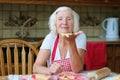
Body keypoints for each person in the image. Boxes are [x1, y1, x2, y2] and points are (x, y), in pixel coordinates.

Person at [33, 6, 86, 74]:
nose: (64, 22)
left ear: (74, 23)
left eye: (69, 19)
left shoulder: (80, 37)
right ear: (55, 23)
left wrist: (71, 41)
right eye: (60, 19)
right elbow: (36, 68)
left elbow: (77, 69)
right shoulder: (50, 38)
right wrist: (49, 70)